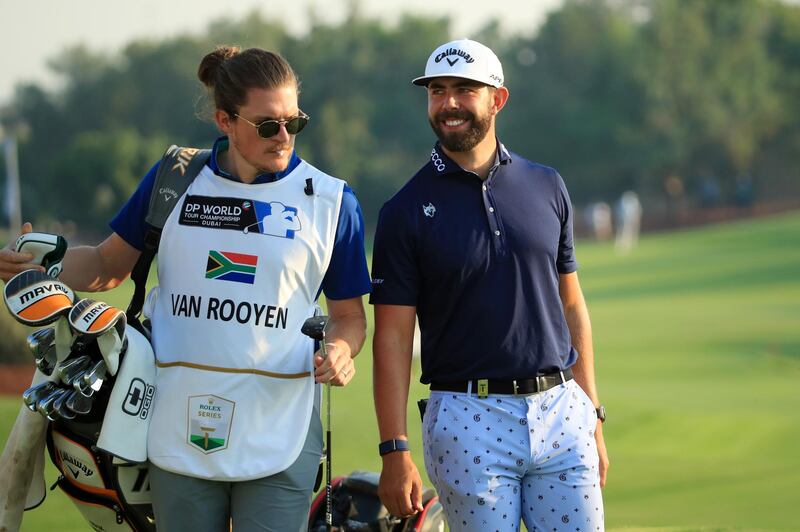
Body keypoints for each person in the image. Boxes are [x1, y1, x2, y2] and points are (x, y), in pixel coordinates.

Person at [0, 46, 371, 532]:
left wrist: (341, 349)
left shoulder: (331, 201)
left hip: (280, 427)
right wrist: (43, 264)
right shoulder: (175, 179)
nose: (284, 138)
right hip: (178, 421)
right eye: (267, 125)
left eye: (293, 123)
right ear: (225, 121)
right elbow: (108, 265)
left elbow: (349, 316)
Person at [370, 38, 608, 531]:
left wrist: (593, 415)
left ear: (497, 99)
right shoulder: (405, 210)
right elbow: (392, 337)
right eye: (437, 91)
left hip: (562, 411)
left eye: (464, 89)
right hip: (466, 417)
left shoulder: (547, 185)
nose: (449, 103)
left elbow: (571, 306)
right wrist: (394, 449)